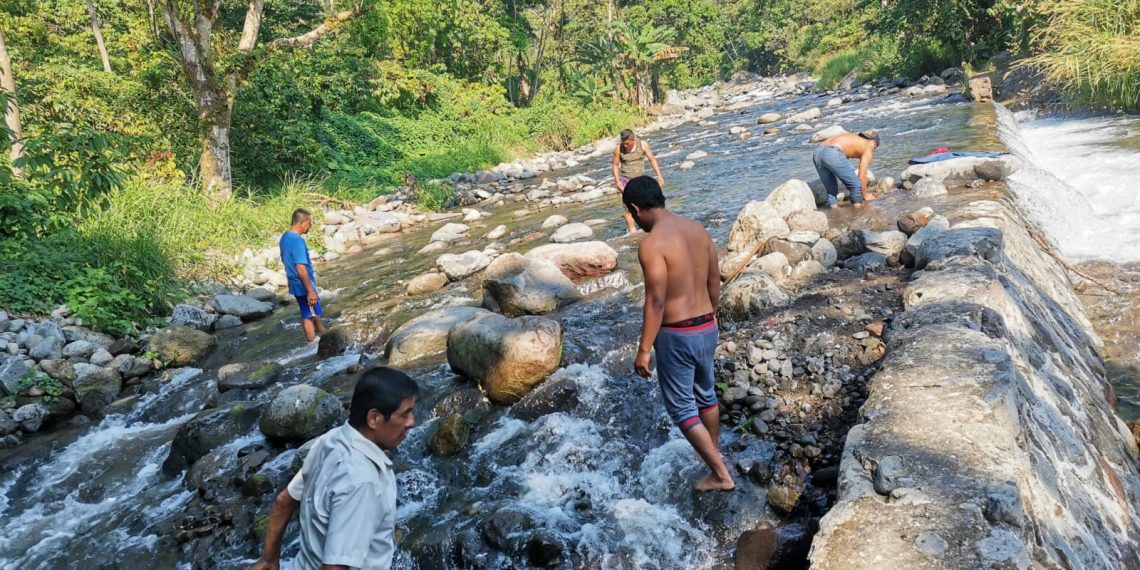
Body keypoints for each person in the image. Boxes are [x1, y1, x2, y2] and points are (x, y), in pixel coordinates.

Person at [623, 176, 735, 492]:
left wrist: (644, 349)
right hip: (707, 326)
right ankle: (713, 455)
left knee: (682, 408)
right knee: (706, 395)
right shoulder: (698, 230)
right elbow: (714, 282)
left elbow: (656, 301)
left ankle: (721, 475)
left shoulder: (652, 245)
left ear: (635, 209)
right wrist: (710, 316)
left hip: (677, 334)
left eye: (631, 213)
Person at [250, 367, 420, 570]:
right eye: (405, 414)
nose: (412, 422)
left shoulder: (329, 441)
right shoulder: (362, 480)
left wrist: (269, 559)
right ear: (374, 418)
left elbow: (284, 500)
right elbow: (334, 567)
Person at [280, 208, 325, 343]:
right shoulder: (297, 241)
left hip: (294, 282)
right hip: (303, 283)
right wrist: (310, 290)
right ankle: (313, 344)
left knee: (311, 311)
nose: (310, 226)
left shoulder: (285, 237)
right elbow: (300, 267)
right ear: (301, 223)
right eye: (309, 223)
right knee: (308, 315)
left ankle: (322, 332)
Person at [612, 129, 665, 234]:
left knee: (647, 204)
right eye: (624, 143)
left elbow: (652, 159)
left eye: (627, 143)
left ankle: (651, 225)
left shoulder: (643, 145)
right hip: (626, 181)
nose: (625, 145)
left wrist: (659, 175)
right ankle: (632, 232)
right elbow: (615, 165)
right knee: (628, 208)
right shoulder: (618, 148)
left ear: (633, 139)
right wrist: (617, 181)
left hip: (641, 181)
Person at [812, 130, 881, 208]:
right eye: (875, 148)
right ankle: (858, 210)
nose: (873, 150)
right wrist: (865, 195)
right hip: (833, 152)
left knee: (831, 191)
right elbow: (862, 176)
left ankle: (835, 211)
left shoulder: (852, 137)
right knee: (856, 185)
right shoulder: (868, 147)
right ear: (873, 143)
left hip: (817, 152)